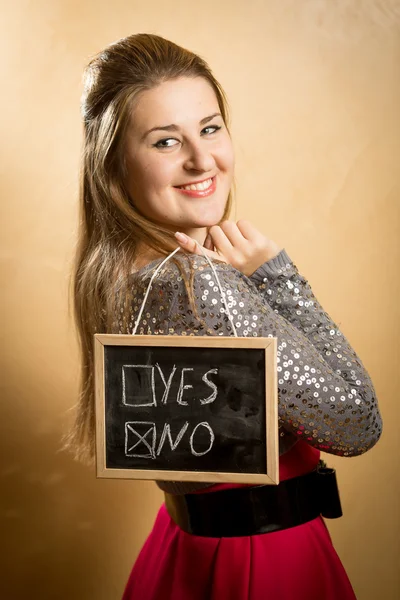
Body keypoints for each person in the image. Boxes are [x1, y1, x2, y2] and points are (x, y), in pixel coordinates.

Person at [66, 33, 383, 600]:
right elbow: (356, 424)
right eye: (166, 141)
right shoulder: (200, 283)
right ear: (113, 163)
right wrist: (278, 278)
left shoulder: (114, 271)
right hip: (263, 561)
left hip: (183, 548)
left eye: (210, 128)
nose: (201, 159)